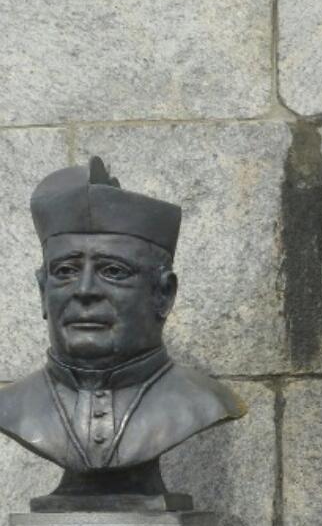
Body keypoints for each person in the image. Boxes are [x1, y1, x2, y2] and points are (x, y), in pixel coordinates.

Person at [0, 157, 245, 505]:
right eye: (65, 271)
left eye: (113, 271)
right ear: (43, 292)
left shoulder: (206, 402)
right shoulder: (12, 408)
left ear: (163, 294)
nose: (85, 290)